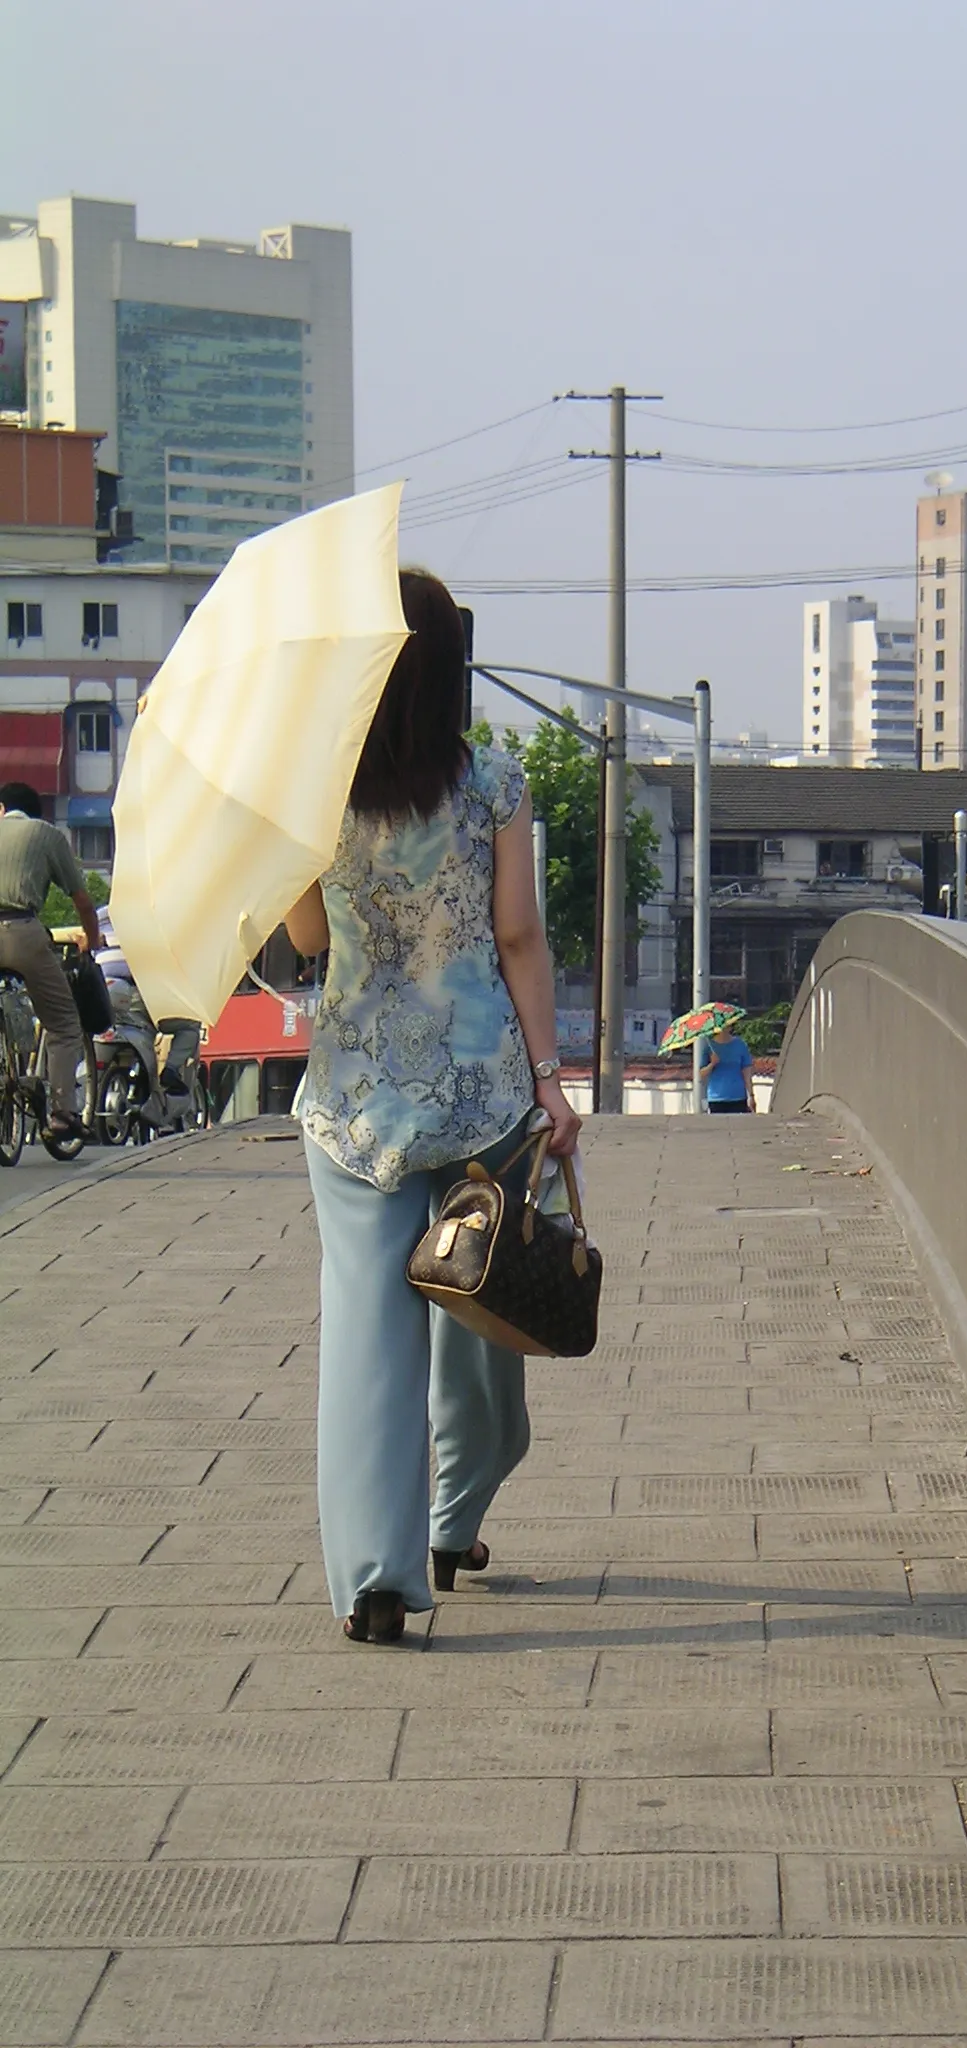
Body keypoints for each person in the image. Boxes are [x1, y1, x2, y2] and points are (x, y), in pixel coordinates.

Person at [285, 568, 580, 1646]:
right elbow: (516, 937)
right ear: (454, 666)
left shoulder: (316, 791)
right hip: (479, 1095)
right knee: (475, 1310)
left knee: (368, 1330)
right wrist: (552, 1076)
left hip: (356, 1103)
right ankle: (454, 1516)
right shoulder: (495, 781)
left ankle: (376, 1578)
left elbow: (311, 944)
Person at [0, 782, 101, 1140]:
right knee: (63, 1024)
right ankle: (62, 1114)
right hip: (21, 931)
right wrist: (92, 937)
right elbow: (84, 902)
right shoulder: (45, 835)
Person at [96, 912, 201, 1129]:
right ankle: (171, 1070)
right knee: (190, 1026)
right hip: (139, 988)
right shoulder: (154, 912)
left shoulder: (100, 915)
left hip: (104, 988)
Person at [699, 1019, 755, 1114]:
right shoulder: (709, 1047)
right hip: (716, 1097)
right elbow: (702, 1073)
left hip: (738, 1096)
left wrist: (751, 1095)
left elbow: (747, 1072)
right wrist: (712, 1064)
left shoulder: (740, 1045)